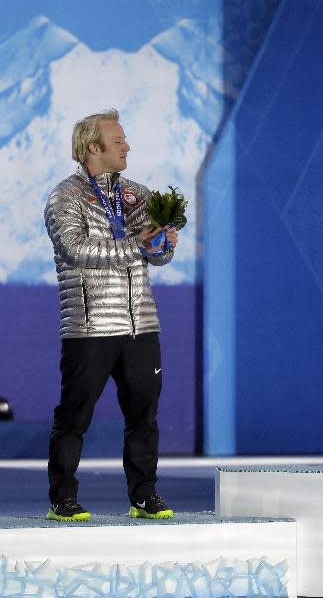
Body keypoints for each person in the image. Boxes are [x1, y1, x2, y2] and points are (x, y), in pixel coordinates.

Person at [44, 109, 178, 521]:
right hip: (90, 326)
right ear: (93, 148)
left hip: (141, 322)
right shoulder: (64, 196)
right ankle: (63, 498)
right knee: (74, 417)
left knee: (144, 416)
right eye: (118, 140)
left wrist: (162, 243)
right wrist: (139, 245)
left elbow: (158, 255)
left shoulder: (137, 193)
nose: (127, 146)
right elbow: (76, 251)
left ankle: (144, 496)